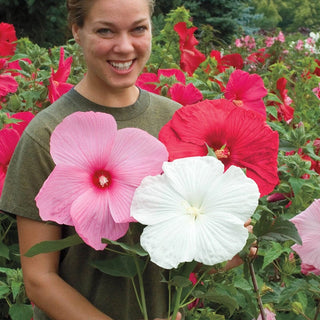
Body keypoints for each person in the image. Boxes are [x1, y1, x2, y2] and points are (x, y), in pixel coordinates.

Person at [0, 0, 182, 319]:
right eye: (105, 31)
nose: (124, 47)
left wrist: (227, 250)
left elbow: (183, 248)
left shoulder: (175, 120)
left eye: (138, 28)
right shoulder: (46, 134)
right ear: (77, 32)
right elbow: (39, 279)